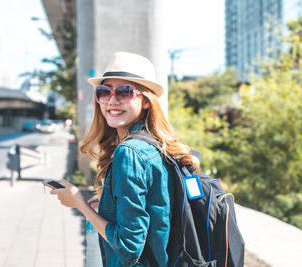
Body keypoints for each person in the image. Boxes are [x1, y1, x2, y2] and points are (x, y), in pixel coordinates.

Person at [49, 51, 200, 266]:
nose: (111, 100)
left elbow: (129, 249)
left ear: (146, 101)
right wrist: (112, 204)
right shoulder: (157, 146)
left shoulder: (129, 153)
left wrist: (79, 203)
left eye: (124, 92)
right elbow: (155, 209)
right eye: (104, 91)